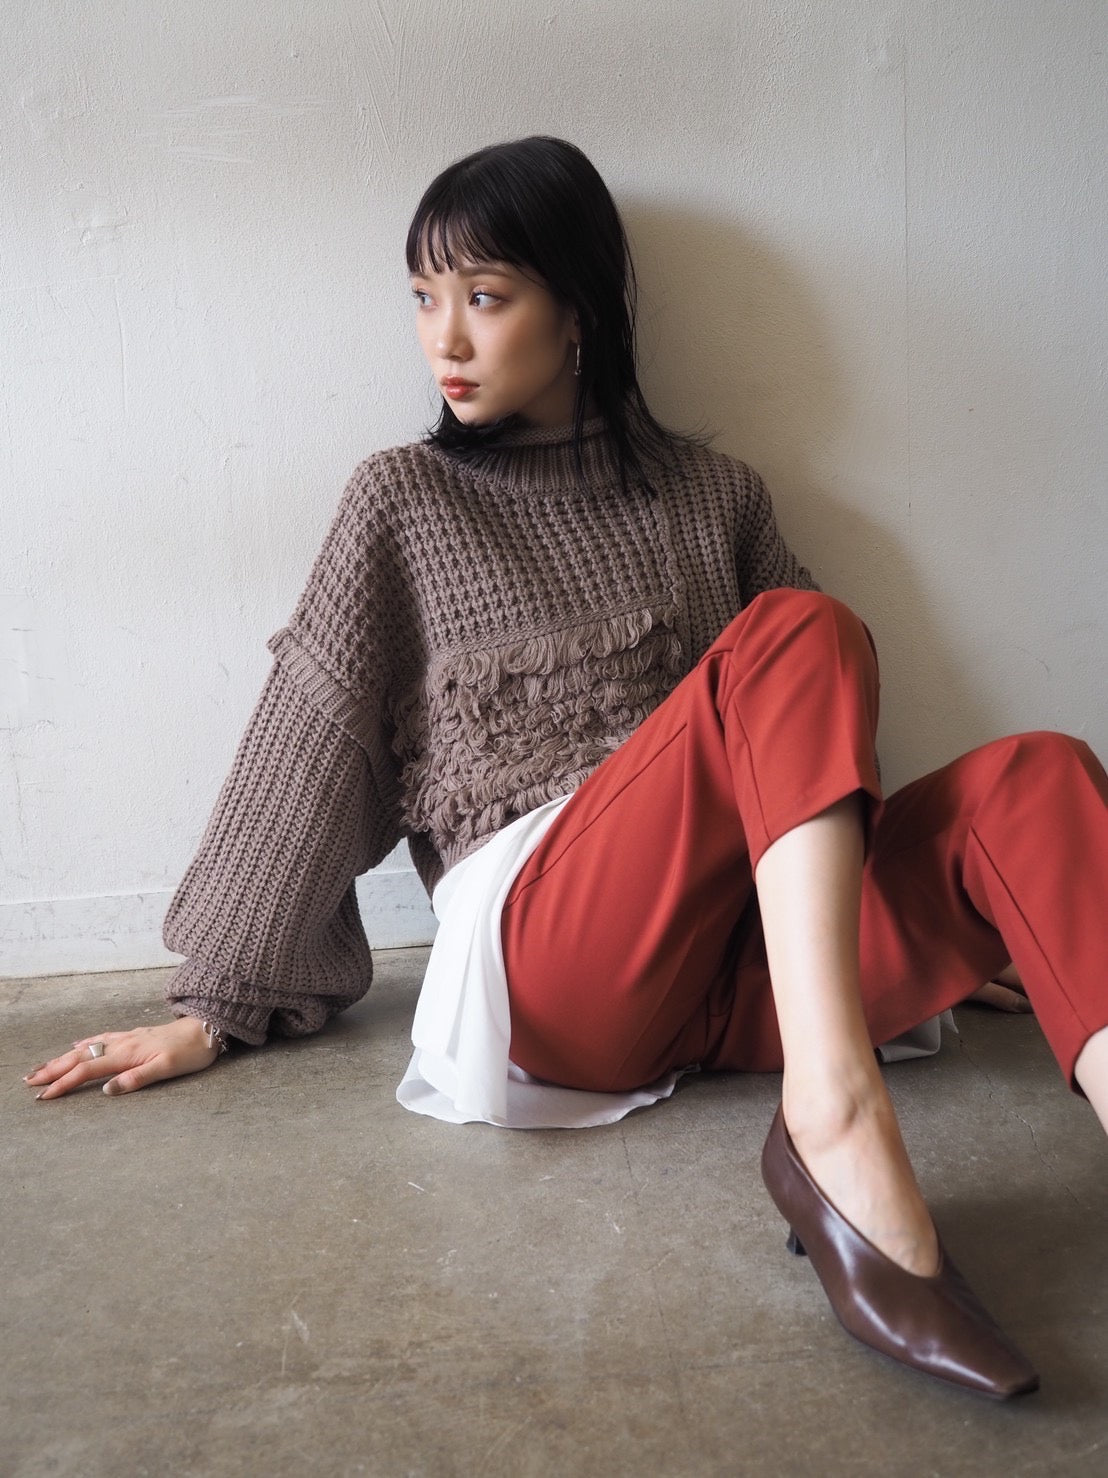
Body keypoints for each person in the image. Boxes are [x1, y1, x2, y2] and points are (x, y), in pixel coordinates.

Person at [24, 137, 1108, 1400]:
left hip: (745, 970)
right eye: (423, 297)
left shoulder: (716, 497)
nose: (444, 339)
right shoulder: (404, 501)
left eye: (484, 296)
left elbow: (811, 734)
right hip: (560, 968)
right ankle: (836, 1125)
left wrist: (974, 913)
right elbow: (306, 743)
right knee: (801, 629)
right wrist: (213, 1003)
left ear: (578, 310)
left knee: (1040, 773)